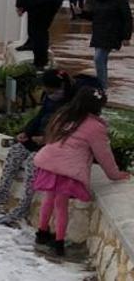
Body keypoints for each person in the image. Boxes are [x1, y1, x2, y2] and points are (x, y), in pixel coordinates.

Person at [31, 86, 130, 257]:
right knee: (61, 205)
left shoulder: (63, 115)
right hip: (67, 170)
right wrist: (115, 174)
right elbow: (104, 154)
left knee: (49, 198)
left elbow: (50, 137)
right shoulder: (95, 127)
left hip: (49, 163)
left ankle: (41, 234)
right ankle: (59, 243)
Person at [0, 70, 73, 226]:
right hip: (36, 139)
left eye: (50, 89)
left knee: (32, 163)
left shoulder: (71, 102)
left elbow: (70, 130)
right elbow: (40, 117)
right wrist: (26, 132)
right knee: (14, 153)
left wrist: (47, 139)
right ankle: (1, 196)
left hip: (53, 144)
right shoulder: (49, 98)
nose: (47, 92)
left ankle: (23, 207)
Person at [89, 0, 132, 89]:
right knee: (101, 60)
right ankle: (102, 85)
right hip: (99, 33)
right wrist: (81, 13)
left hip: (112, 33)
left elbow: (127, 18)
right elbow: (94, 15)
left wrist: (126, 36)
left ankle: (102, 86)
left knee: (98, 58)